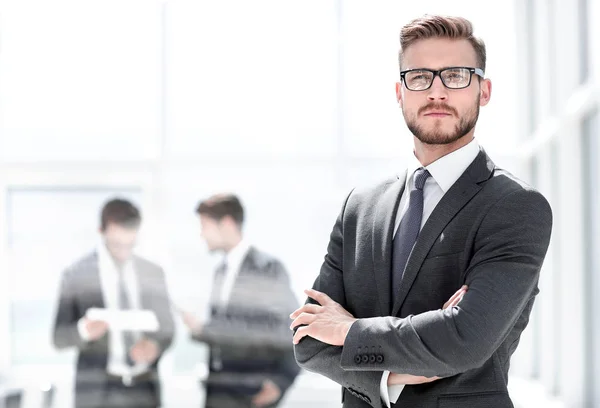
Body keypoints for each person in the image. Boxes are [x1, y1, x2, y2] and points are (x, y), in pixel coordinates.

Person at [290, 15, 553, 408]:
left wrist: (349, 330)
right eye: (419, 77)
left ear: (484, 90)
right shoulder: (360, 207)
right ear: (400, 92)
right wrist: (395, 376)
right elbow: (308, 341)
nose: (437, 91)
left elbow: (465, 338)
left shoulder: (515, 206)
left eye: (457, 75)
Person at [52, 198, 175, 408]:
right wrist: (84, 330)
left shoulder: (152, 273)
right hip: (97, 393)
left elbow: (168, 328)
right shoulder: (76, 275)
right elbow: (58, 337)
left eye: (130, 244)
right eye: (117, 244)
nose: (124, 252)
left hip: (143, 389)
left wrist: (155, 345)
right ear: (102, 231)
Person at [182, 193, 300, 408]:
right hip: (217, 391)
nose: (201, 234)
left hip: (251, 394)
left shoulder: (267, 269)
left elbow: (292, 328)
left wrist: (281, 381)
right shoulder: (220, 271)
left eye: (205, 226)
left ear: (226, 223)